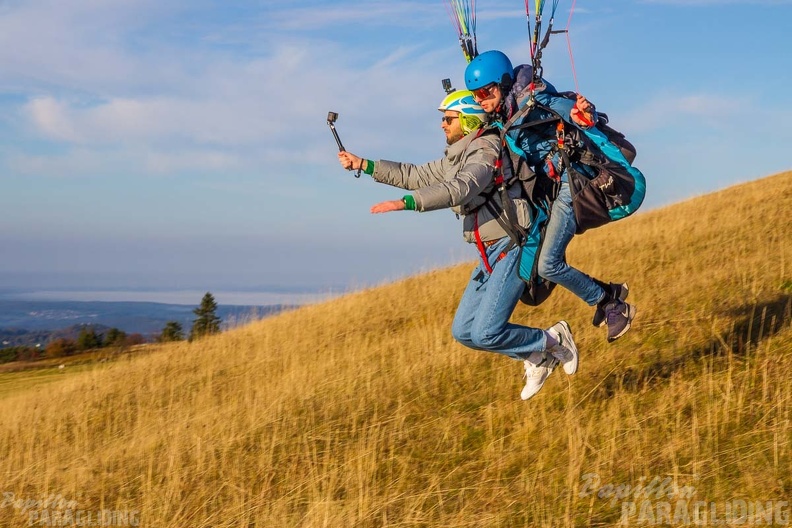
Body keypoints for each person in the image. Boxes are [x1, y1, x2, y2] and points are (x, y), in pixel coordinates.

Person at [337, 89, 578, 400]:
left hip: (511, 244)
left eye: (447, 119)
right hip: (487, 253)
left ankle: (553, 339)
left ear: (467, 120)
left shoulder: (487, 149)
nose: (442, 125)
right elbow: (415, 174)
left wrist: (408, 203)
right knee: (463, 331)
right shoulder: (457, 156)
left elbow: (462, 188)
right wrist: (364, 165)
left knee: (486, 331)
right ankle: (537, 356)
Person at [464, 50, 635, 343]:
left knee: (548, 264)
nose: (482, 100)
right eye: (476, 95)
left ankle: (610, 302)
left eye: (486, 92)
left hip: (570, 184)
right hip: (549, 193)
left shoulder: (532, 99)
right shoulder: (501, 113)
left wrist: (581, 114)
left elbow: (564, 107)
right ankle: (609, 295)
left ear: (504, 84)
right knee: (535, 268)